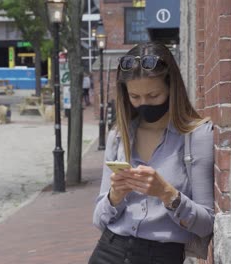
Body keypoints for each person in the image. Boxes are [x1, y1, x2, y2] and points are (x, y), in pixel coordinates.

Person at [89, 42, 214, 264]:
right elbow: (99, 220)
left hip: (162, 256)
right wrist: (115, 196)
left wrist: (167, 193)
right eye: (134, 97)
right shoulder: (119, 136)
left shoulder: (197, 136)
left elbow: (207, 225)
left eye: (154, 95)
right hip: (108, 251)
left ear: (171, 89)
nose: (143, 103)